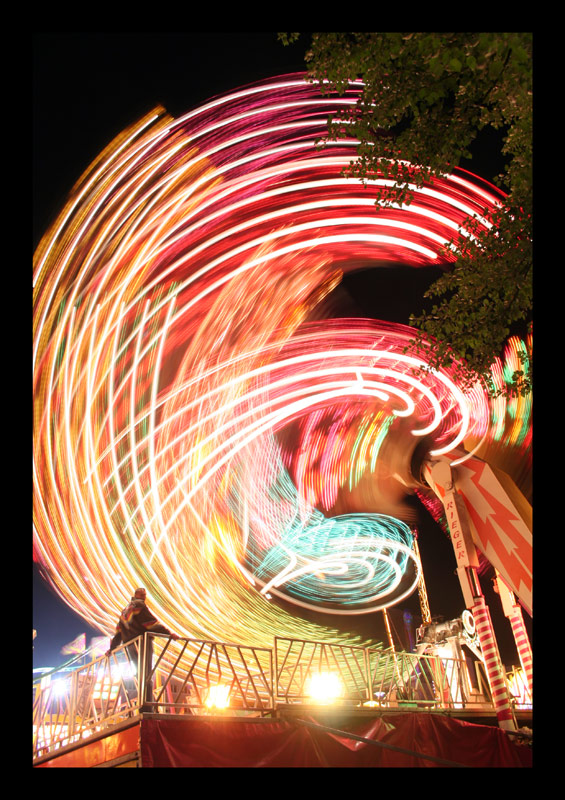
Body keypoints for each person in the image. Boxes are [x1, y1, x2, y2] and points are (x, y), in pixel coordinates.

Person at [106, 588, 180, 711]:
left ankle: (143, 704)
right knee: (146, 674)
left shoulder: (125, 611)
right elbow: (150, 624)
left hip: (130, 646)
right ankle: (146, 707)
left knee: (139, 675)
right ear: (136, 595)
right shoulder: (139, 606)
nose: (144, 597)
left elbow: (119, 632)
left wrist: (112, 648)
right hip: (142, 643)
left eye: (145, 595)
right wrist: (169, 633)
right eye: (142, 594)